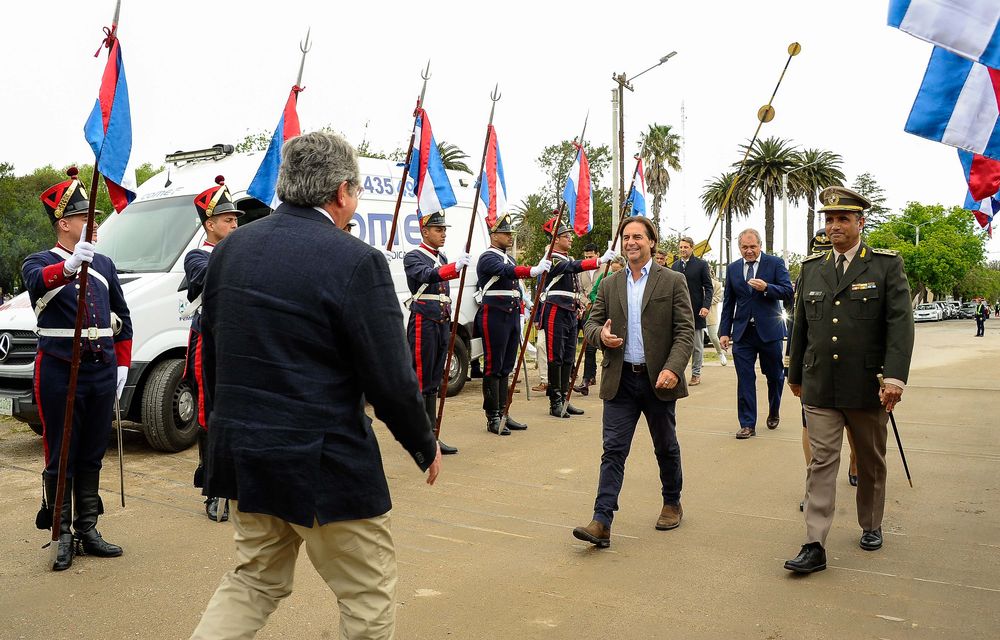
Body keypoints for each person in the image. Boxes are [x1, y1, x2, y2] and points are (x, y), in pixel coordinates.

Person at [190, 132, 441, 639]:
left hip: (246, 457)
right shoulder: (356, 260)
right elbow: (390, 377)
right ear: (343, 191)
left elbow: (214, 362)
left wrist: (224, 434)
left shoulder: (231, 251)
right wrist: (422, 441)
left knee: (253, 582)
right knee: (367, 598)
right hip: (325, 466)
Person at [783, 186, 914, 574]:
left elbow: (900, 326)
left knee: (870, 460)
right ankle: (814, 543)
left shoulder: (885, 266)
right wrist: (794, 374)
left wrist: (894, 378)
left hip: (867, 386)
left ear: (860, 222)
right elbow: (801, 326)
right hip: (820, 383)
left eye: (843, 218)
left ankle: (871, 523)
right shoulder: (811, 268)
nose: (834, 225)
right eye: (829, 219)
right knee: (822, 460)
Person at [24, 167, 132, 571]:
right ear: (64, 223)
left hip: (101, 371)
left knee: (91, 453)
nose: (95, 223)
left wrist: (122, 366)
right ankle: (62, 533)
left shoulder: (103, 262)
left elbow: (123, 317)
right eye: (87, 218)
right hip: (58, 371)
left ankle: (88, 528)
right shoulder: (39, 261)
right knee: (61, 455)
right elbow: (36, 282)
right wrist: (68, 269)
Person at [572, 217, 694, 548]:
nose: (631, 242)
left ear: (652, 242)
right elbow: (591, 324)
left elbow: (685, 331)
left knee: (665, 445)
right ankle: (602, 520)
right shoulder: (611, 284)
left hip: (659, 382)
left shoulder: (673, 281)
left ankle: (672, 501)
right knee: (613, 450)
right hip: (621, 380)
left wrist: (673, 367)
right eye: (626, 237)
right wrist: (602, 336)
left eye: (637, 236)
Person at [790, 231, 859, 512]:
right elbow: (799, 323)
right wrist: (794, 370)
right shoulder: (808, 274)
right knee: (809, 425)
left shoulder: (864, 269)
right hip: (816, 366)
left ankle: (856, 460)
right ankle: (813, 484)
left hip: (853, 367)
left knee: (854, 424)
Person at [185, 176, 241, 522]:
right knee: (209, 413)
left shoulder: (239, 251)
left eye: (236, 219)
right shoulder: (197, 256)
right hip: (209, 339)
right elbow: (210, 278)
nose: (235, 224)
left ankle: (235, 480)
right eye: (227, 220)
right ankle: (212, 485)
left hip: (237, 339)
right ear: (210, 224)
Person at [474, 213, 551, 435]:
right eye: (506, 233)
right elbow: (506, 272)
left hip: (511, 314)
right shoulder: (488, 258)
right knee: (493, 366)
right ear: (494, 234)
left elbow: (514, 283)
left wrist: (526, 302)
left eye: (511, 233)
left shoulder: (510, 258)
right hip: (495, 315)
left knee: (507, 365)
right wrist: (532, 270)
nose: (510, 237)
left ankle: (503, 411)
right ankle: (493, 416)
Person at [403, 210, 469, 455]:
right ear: (424, 231)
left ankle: (431, 435)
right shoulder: (414, 256)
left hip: (441, 321)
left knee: (433, 381)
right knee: (420, 380)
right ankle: (418, 437)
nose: (443, 234)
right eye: (438, 230)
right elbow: (425, 275)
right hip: (424, 321)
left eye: (444, 230)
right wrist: (453, 267)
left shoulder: (441, 256)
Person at [718, 228, 793, 439]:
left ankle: (774, 410)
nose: (749, 251)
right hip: (743, 334)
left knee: (775, 376)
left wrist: (767, 287)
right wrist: (725, 331)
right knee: (745, 378)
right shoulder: (733, 269)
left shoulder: (775, 263)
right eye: (744, 247)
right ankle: (747, 424)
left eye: (752, 247)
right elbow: (728, 303)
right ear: (739, 248)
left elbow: (788, 291)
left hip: (770, 332)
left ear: (760, 246)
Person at [539, 216, 615, 417]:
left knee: (568, 357)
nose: (571, 238)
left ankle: (564, 398)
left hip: (571, 310)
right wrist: (598, 261)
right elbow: (571, 268)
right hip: (556, 308)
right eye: (566, 235)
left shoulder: (568, 258)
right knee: (556, 356)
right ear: (556, 239)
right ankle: (555, 401)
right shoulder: (551, 257)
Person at [671, 236, 713, 386]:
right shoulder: (674, 267)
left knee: (696, 346)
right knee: (677, 345)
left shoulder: (701, 265)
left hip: (697, 311)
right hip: (678, 312)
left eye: (686, 247)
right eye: (681, 247)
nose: (683, 250)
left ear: (692, 248)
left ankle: (696, 374)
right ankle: (677, 373)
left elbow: (709, 288)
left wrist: (705, 306)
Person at [574, 243, 601, 396]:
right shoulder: (581, 270)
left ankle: (591, 375)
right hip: (588, 312)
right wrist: (586, 302)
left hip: (604, 312)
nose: (588, 259)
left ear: (597, 254)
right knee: (588, 346)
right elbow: (579, 291)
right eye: (585, 257)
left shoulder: (607, 268)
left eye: (590, 257)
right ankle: (586, 379)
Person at [705, 274, 728, 366]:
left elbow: (717, 298)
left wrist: (705, 301)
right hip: (696, 313)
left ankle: (720, 353)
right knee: (696, 339)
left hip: (711, 313)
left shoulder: (717, 284)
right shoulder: (698, 283)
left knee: (713, 336)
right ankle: (698, 359)